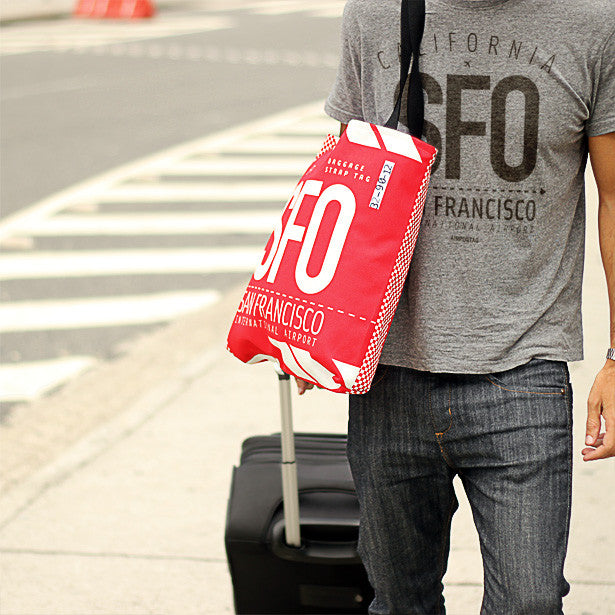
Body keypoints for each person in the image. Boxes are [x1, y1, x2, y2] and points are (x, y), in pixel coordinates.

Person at [296, 0, 615, 613]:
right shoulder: (374, 13)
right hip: (389, 377)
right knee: (398, 601)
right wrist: (322, 323)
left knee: (529, 604)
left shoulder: (592, 23)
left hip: (524, 376)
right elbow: (348, 170)